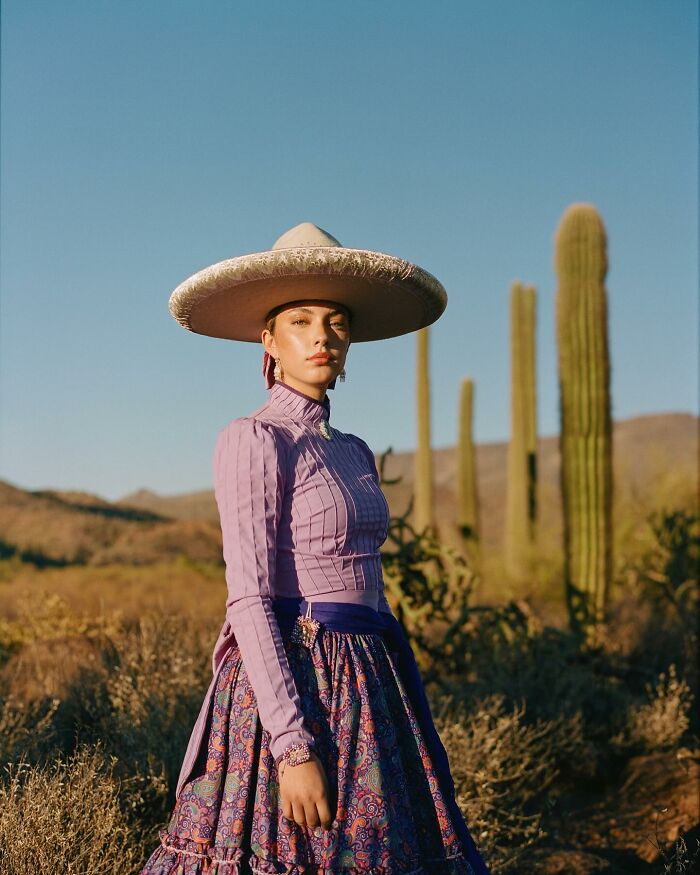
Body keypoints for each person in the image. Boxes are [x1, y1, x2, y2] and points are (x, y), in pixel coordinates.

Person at [139, 222, 491, 874]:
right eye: (300, 320)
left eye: (335, 321)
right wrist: (293, 746)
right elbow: (249, 598)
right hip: (297, 680)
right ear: (269, 339)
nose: (322, 335)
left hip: (369, 680)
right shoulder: (253, 439)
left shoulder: (352, 450)